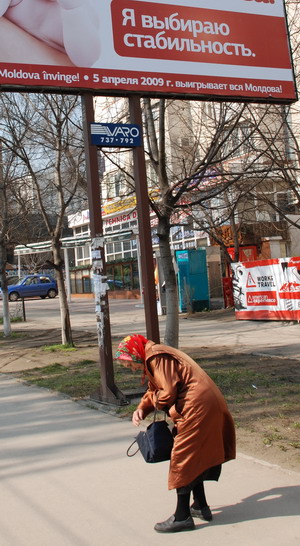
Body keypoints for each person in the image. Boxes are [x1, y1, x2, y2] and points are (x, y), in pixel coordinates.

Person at [115, 334, 236, 534]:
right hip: (205, 403)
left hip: (196, 406)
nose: (132, 368)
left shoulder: (155, 356)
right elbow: (157, 388)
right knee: (195, 456)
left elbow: (167, 392)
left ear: (136, 353)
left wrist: (151, 403)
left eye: (130, 364)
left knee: (182, 457)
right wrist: (142, 409)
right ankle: (200, 505)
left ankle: (182, 517)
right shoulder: (155, 355)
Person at [0, 0, 100, 67]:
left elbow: (86, 61)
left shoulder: (81, 10)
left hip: (56, 70)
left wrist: (73, 9)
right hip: (18, 69)